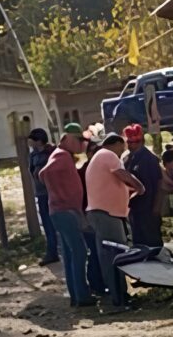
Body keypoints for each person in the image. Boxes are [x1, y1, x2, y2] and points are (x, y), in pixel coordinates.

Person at [86, 134, 145, 312]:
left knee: (112, 256)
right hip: (106, 215)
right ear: (117, 144)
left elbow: (116, 184)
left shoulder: (98, 158)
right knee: (115, 256)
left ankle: (120, 296)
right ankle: (119, 299)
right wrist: (140, 186)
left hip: (104, 213)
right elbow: (122, 174)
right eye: (122, 147)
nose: (122, 151)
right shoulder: (107, 155)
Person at [39, 123, 92, 307]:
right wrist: (61, 194)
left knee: (71, 255)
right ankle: (82, 296)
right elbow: (44, 173)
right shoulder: (61, 155)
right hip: (65, 211)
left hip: (62, 211)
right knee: (79, 253)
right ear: (68, 138)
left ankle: (76, 296)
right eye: (78, 140)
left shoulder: (63, 156)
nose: (80, 144)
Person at [122, 124, 164, 248]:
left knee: (152, 242)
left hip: (149, 208)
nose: (132, 145)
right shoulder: (127, 159)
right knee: (138, 242)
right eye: (129, 142)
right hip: (134, 208)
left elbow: (159, 184)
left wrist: (157, 207)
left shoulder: (150, 159)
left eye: (135, 142)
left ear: (142, 141)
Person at [78, 137, 107, 297]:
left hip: (103, 215)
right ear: (88, 153)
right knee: (95, 253)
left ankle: (102, 284)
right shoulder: (83, 172)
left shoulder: (103, 169)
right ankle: (96, 285)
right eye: (93, 151)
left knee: (103, 251)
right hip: (89, 216)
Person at [27, 128, 58, 265]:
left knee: (57, 223)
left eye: (32, 140)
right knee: (47, 224)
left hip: (52, 192)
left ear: (39, 140)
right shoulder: (33, 155)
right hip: (41, 193)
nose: (29, 143)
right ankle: (52, 252)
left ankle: (58, 251)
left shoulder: (51, 152)